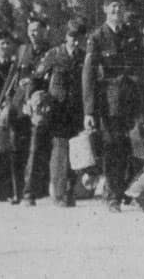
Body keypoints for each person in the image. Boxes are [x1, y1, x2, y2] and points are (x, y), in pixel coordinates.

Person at [82, 0, 144, 213]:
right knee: (112, 149)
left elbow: (141, 64)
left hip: (132, 100)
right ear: (105, 10)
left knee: (133, 147)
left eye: (119, 6)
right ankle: (112, 196)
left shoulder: (132, 34)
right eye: (112, 6)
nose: (117, 10)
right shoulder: (97, 38)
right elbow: (89, 75)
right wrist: (89, 111)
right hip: (109, 103)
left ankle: (128, 191)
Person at [39, 19, 86, 207]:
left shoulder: (84, 56)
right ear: (66, 36)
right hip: (57, 109)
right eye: (72, 36)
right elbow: (38, 78)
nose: (75, 41)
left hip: (77, 108)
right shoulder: (54, 54)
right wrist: (37, 101)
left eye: (78, 38)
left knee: (75, 149)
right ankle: (59, 193)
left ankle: (70, 191)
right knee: (59, 150)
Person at [11, 16, 51, 206]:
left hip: (40, 103)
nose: (34, 33)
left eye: (37, 30)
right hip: (20, 104)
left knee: (36, 147)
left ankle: (30, 191)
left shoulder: (51, 51)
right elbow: (15, 75)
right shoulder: (22, 50)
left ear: (45, 31)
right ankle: (15, 190)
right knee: (16, 146)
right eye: (31, 30)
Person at [0, 30, 17, 202]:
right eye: (2, 43)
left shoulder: (13, 67)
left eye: (7, 43)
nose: (5, 46)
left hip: (7, 112)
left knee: (5, 151)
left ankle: (6, 192)